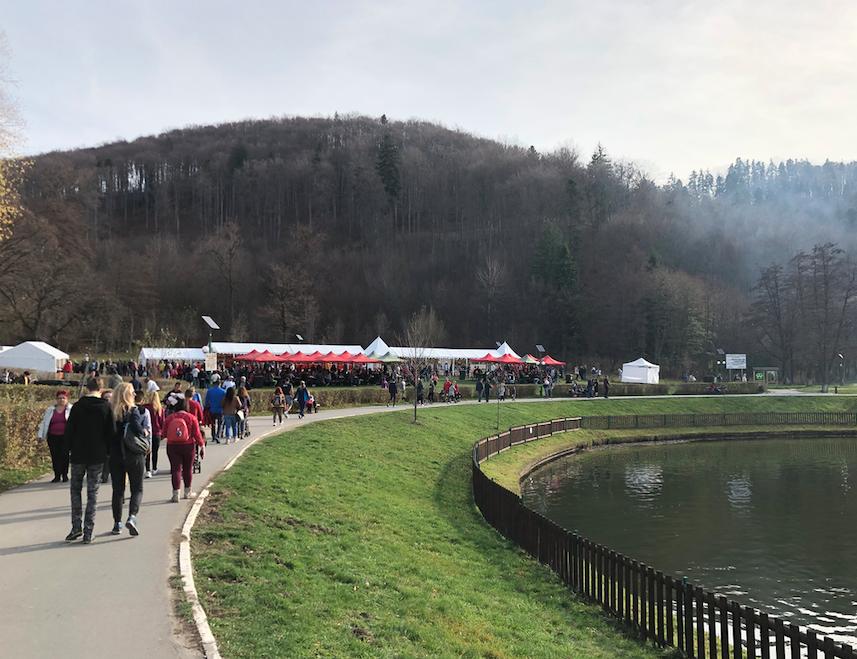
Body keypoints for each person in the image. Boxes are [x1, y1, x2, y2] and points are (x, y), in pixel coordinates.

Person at [63, 377, 114, 543]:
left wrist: (67, 450)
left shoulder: (77, 407)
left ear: (87, 388)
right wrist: (109, 452)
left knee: (75, 491)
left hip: (78, 454)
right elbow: (111, 433)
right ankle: (88, 531)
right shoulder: (106, 407)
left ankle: (75, 526)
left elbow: (69, 431)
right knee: (93, 493)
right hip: (97, 456)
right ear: (101, 389)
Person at [109, 383, 148, 536]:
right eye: (132, 393)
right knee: (137, 488)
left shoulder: (110, 411)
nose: (134, 395)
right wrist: (144, 432)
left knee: (118, 490)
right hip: (133, 454)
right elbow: (138, 430)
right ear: (127, 395)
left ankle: (117, 523)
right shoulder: (133, 411)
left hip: (115, 455)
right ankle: (132, 517)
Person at [164, 397, 205, 502]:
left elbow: (164, 433)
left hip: (172, 446)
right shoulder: (192, 418)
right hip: (188, 446)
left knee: (175, 470)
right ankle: (187, 492)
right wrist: (202, 445)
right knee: (187, 469)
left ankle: (175, 494)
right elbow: (197, 434)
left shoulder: (169, 418)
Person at [37, 389, 71, 483]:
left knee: (64, 455)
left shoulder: (70, 409)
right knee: (55, 456)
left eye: (63, 398)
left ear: (67, 399)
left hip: (65, 436)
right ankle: (57, 475)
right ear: (56, 399)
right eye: (59, 398)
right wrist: (40, 435)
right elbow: (44, 423)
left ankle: (64, 475)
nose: (61, 400)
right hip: (53, 436)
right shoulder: (50, 410)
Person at [142, 390, 164, 478]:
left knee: (147, 451)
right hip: (157, 432)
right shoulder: (160, 409)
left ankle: (147, 470)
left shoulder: (145, 407)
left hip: (147, 432)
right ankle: (154, 468)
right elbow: (162, 422)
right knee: (155, 451)